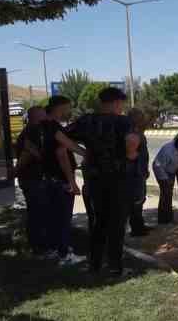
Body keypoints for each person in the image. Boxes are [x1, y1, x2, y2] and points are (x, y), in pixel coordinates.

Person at [66, 87, 134, 276]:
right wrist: (130, 154)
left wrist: (83, 152)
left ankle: (95, 264)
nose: (122, 108)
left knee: (97, 223)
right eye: (121, 104)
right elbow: (131, 140)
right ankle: (115, 265)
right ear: (115, 102)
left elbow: (61, 136)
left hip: (94, 179)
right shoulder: (122, 121)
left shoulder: (86, 120)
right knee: (117, 224)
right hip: (117, 179)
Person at [35, 96, 87, 266]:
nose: (69, 111)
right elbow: (64, 152)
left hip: (47, 178)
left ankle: (53, 249)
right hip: (60, 180)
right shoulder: (54, 127)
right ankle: (64, 255)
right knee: (63, 219)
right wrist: (72, 182)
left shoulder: (40, 127)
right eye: (67, 108)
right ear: (60, 108)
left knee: (52, 218)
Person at [15, 106, 49, 257]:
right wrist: (42, 158)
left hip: (29, 179)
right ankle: (39, 247)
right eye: (44, 115)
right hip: (32, 179)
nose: (46, 117)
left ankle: (37, 245)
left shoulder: (28, 131)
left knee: (36, 212)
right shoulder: (33, 131)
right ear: (37, 117)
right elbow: (27, 153)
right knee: (38, 213)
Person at [126, 108, 152, 237]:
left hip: (140, 171)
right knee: (136, 200)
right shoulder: (132, 132)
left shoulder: (139, 131)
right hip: (135, 173)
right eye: (141, 116)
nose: (144, 119)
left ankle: (139, 225)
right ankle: (137, 229)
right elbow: (132, 154)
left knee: (140, 199)